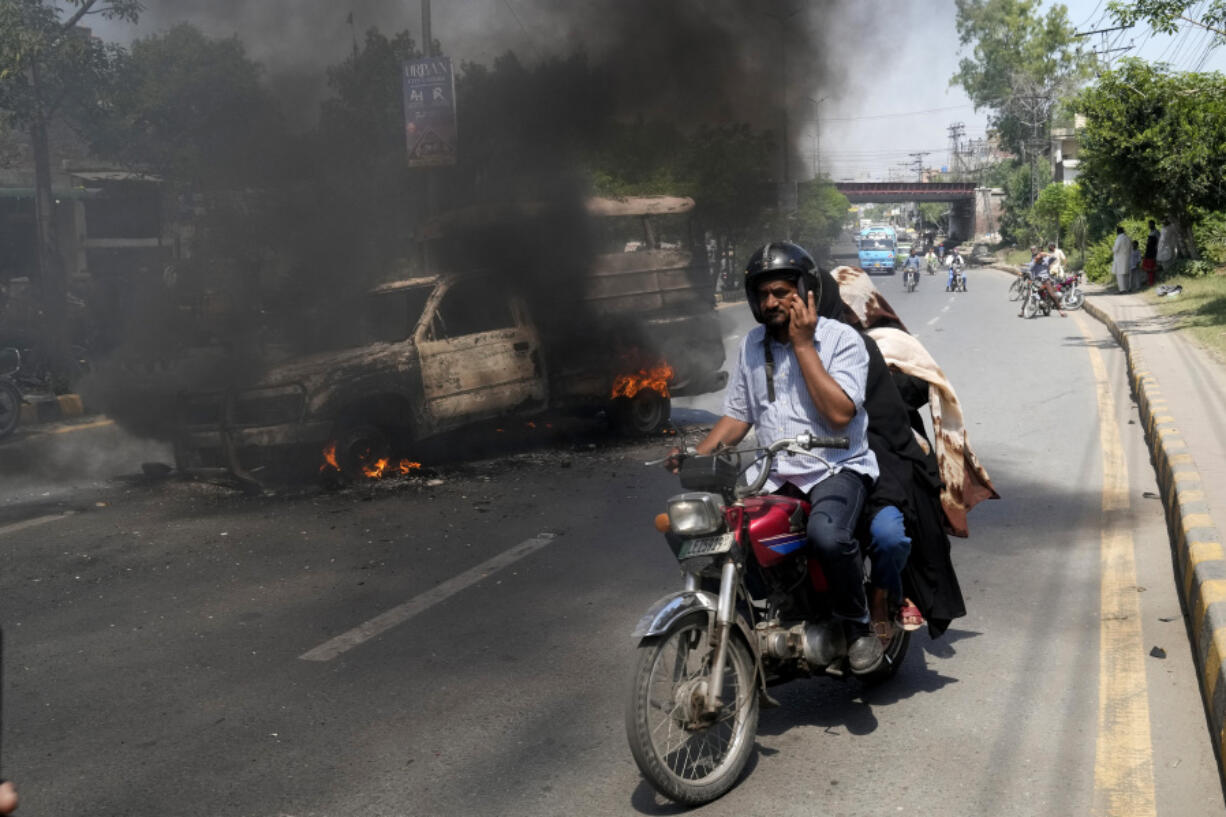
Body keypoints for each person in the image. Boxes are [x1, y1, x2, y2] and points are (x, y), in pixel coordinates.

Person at [671, 241, 885, 673]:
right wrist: (697, 455)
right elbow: (739, 415)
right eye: (763, 294)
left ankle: (856, 626)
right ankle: (749, 627)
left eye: (782, 291)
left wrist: (804, 345)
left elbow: (841, 414)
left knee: (828, 536)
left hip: (835, 468)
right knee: (705, 535)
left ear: (806, 291)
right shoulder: (753, 344)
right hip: (770, 475)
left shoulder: (841, 339)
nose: (771, 302)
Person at [1019, 250, 1066, 317]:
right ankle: (1022, 311)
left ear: (1042, 258)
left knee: (1052, 295)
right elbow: (1030, 268)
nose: (1039, 260)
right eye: (1037, 259)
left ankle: (1060, 311)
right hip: (1037, 281)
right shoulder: (1034, 263)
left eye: (1040, 259)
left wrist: (1046, 254)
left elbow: (1055, 257)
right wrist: (1035, 260)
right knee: (1029, 294)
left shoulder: (1046, 260)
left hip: (1046, 280)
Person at [1111, 225, 1132, 293]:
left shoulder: (1119, 238)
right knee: (1126, 274)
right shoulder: (1128, 238)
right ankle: (1127, 288)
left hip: (1119, 259)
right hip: (1127, 258)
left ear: (1118, 232)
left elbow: (1115, 249)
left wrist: (1113, 249)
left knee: (1120, 275)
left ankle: (1122, 289)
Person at [1143, 220, 1160, 287]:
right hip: (1148, 251)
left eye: (1150, 224)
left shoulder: (1156, 232)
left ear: (1153, 224)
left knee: (1151, 266)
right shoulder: (1151, 232)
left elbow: (1159, 241)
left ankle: (1152, 282)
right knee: (1146, 266)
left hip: (1153, 251)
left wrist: (1156, 249)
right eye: (1148, 224)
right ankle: (1149, 281)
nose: (1149, 226)